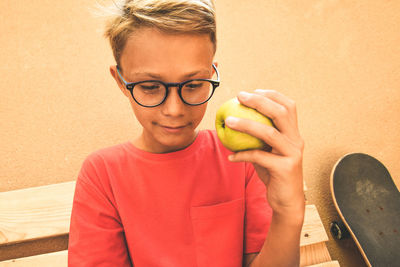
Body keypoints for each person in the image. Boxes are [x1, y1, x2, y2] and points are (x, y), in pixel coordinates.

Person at [68, 0, 305, 266]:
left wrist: (287, 213)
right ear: (120, 80)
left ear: (212, 73)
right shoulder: (102, 174)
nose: (174, 109)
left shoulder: (243, 159)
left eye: (192, 85)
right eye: (149, 86)